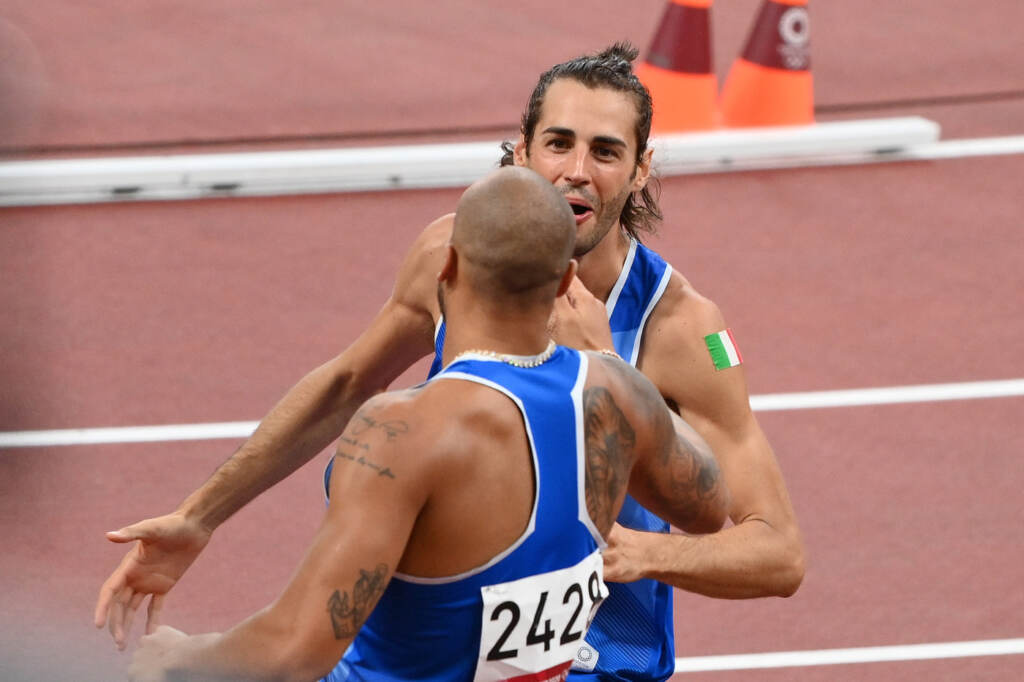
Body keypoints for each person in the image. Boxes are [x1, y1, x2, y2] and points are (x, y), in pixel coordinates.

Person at [98, 42, 804, 681]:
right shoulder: (459, 255)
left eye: (606, 151)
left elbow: (776, 552)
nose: (577, 172)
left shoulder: (680, 329)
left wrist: (644, 554)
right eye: (558, 143)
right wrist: (200, 515)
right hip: (433, 651)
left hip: (595, 668)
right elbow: (350, 381)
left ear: (641, 167)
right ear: (522, 150)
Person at [125, 166, 729, 682]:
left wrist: (174, 660)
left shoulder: (403, 430)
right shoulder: (617, 393)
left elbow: (296, 649)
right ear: (567, 282)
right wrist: (616, 367)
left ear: (445, 268)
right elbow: (708, 507)